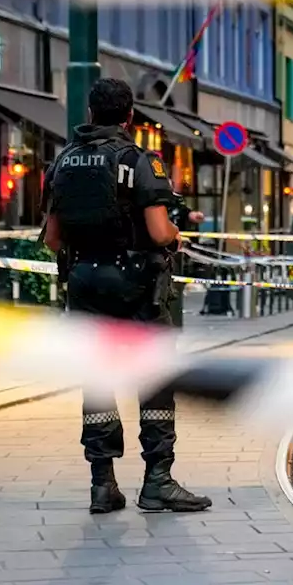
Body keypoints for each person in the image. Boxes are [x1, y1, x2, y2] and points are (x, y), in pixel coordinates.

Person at [41, 77, 212, 515]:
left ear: (90, 112)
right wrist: (175, 237)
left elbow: (52, 239)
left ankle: (103, 485)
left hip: (83, 282)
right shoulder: (139, 161)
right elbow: (157, 231)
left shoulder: (62, 163)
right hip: (136, 284)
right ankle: (158, 481)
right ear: (130, 115)